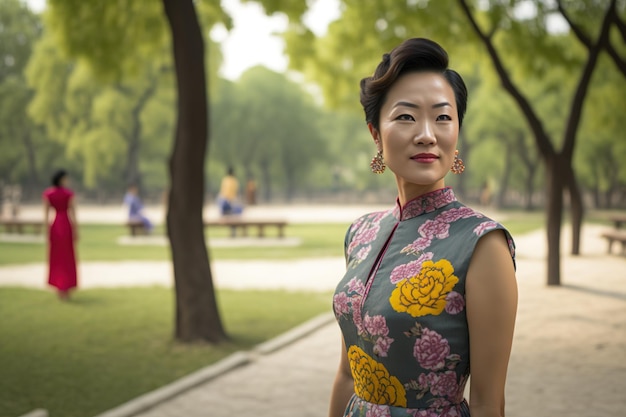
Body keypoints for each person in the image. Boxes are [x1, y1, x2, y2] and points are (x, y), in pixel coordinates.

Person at [329, 38, 518, 417]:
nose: (427, 134)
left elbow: (487, 402)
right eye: (406, 116)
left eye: (443, 117)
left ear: (457, 131)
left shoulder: (482, 244)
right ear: (375, 133)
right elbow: (348, 375)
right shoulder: (361, 234)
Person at [43, 170, 78, 301]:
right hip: (66, 225)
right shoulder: (69, 194)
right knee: (67, 257)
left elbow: (46, 214)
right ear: (61, 179)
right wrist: (76, 229)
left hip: (55, 225)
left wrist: (47, 230)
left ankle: (60, 286)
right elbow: (73, 213)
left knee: (57, 258)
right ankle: (66, 287)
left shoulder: (48, 194)